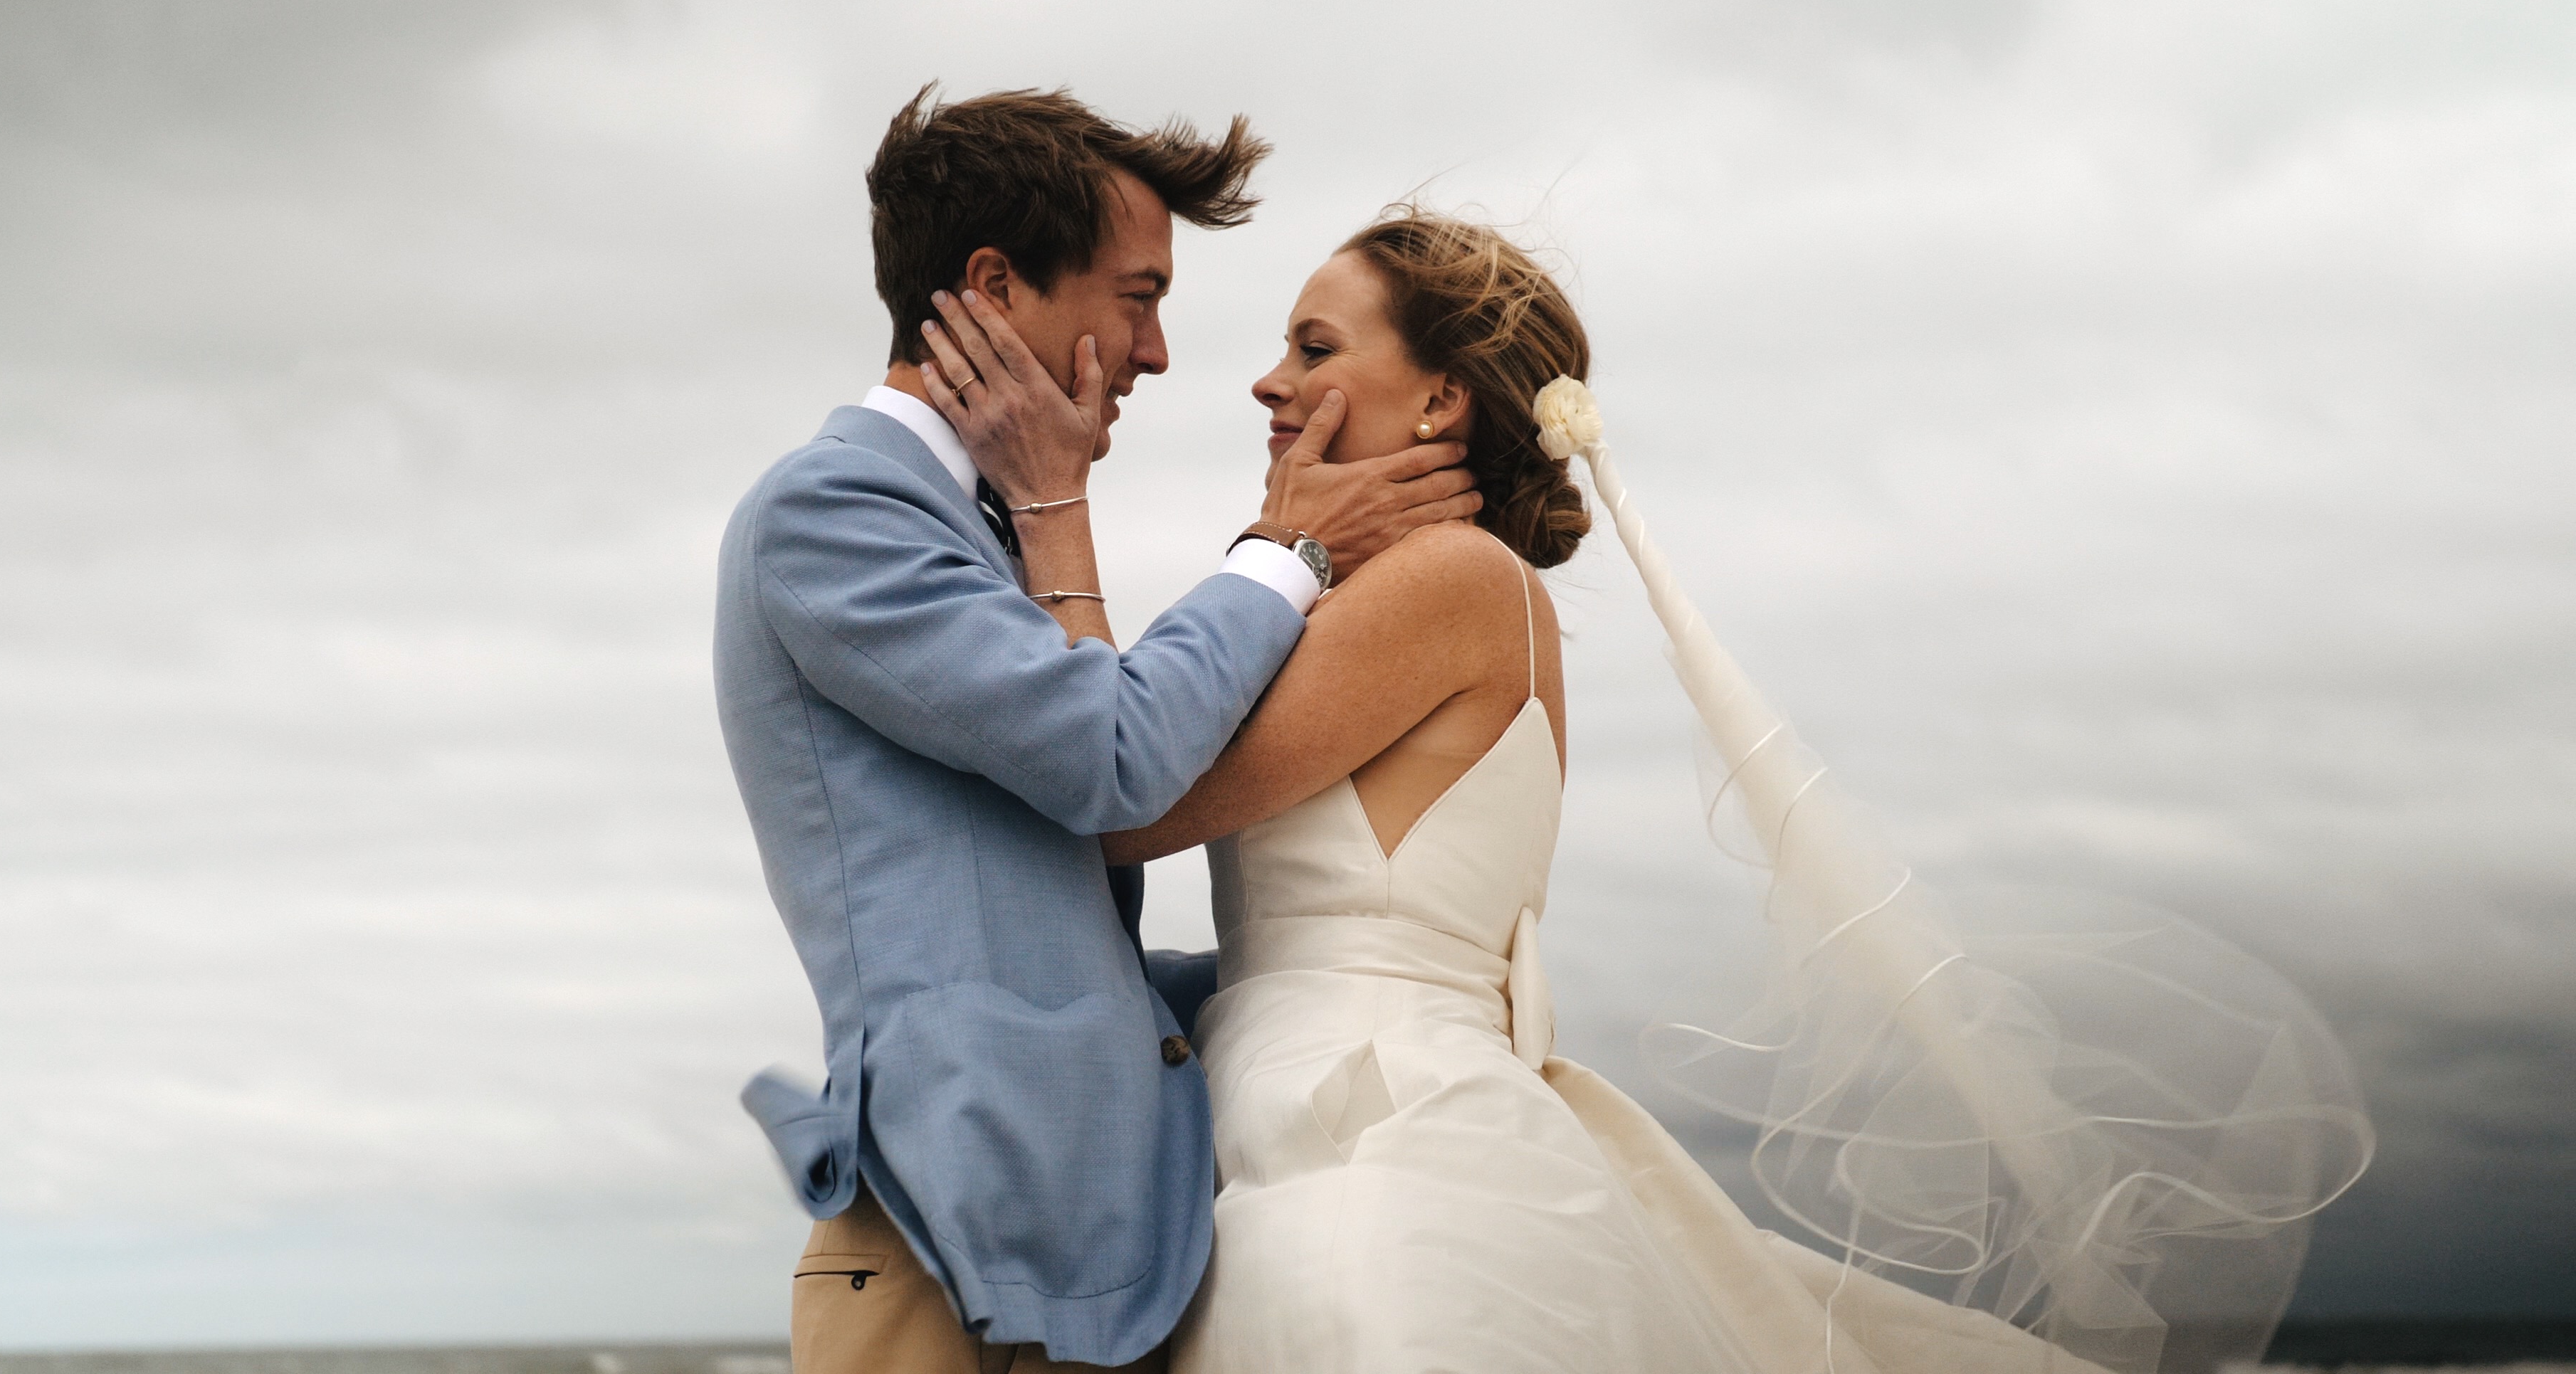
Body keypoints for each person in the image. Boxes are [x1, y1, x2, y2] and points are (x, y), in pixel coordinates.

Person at [984, 207, 2370, 1374]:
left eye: (1315, 346)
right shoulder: (1392, 596)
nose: (1267, 383)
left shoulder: (1452, 583)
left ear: (1443, 399)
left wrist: (1060, 499)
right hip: (1296, 1121)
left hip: (1370, 1151)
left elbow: (1119, 791)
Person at [713, 89, 1482, 1374]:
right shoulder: (832, 511)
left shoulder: (990, 527)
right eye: (1139, 296)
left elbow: (1055, 919)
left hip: (1076, 1245)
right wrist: (1283, 552)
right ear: (996, 285)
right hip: (952, 1256)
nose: (1162, 351)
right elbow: (1111, 759)